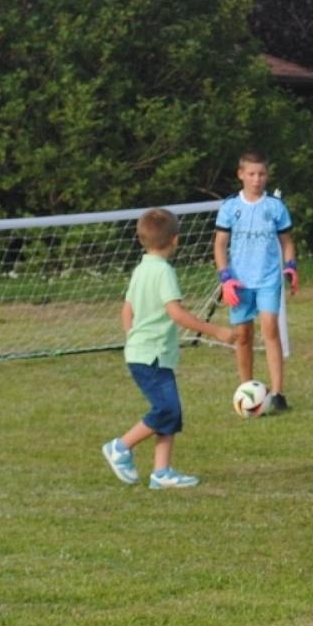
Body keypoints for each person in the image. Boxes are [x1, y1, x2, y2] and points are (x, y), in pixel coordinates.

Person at [102, 207, 237, 489]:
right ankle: (120, 446)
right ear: (175, 240)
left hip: (147, 353)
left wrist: (132, 338)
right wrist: (217, 331)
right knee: (166, 410)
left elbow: (126, 310)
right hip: (150, 356)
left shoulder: (141, 269)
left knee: (170, 412)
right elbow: (176, 314)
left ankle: (161, 473)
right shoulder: (163, 272)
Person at [213, 151, 299, 412]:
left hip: (268, 279)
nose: (257, 179)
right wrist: (225, 277)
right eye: (251, 174)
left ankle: (278, 393)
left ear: (267, 176)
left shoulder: (275, 207)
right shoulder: (230, 207)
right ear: (241, 175)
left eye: (261, 174)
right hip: (239, 283)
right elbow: (219, 245)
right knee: (243, 336)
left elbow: (286, 241)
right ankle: (247, 389)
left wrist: (291, 266)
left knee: (270, 329)